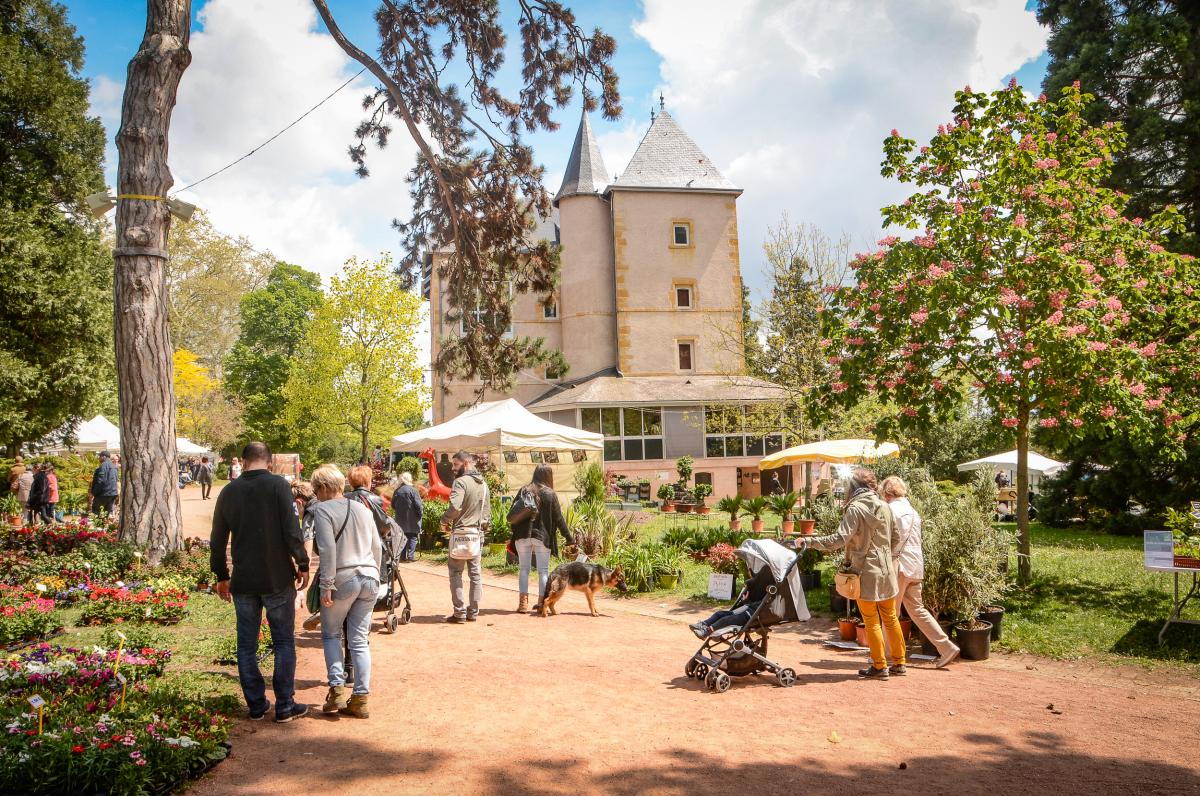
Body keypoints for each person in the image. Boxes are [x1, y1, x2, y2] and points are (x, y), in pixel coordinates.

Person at [210, 441, 310, 723]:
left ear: (242, 462)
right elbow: (292, 530)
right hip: (277, 576)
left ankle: (256, 705)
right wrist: (302, 562)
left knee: (246, 645)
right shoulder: (278, 486)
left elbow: (217, 541)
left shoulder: (228, 492)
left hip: (243, 580)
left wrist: (221, 576)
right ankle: (285, 706)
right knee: (283, 641)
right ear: (269, 462)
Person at [803, 467, 905, 680]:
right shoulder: (885, 507)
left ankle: (879, 666)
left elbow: (839, 539)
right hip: (887, 570)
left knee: (870, 619)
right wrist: (886, 556)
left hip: (865, 571)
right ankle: (899, 662)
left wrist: (809, 542)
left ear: (852, 487)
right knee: (891, 617)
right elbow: (896, 538)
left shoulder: (855, 509)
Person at [307, 464, 380, 719]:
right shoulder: (363, 508)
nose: (316, 494)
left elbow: (327, 550)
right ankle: (360, 698)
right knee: (359, 640)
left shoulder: (323, 510)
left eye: (316, 489)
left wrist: (326, 585)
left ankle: (336, 688)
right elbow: (377, 547)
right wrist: (377, 575)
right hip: (370, 576)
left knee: (331, 635)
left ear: (325, 488)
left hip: (343, 577)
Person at [879, 476, 959, 668]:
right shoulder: (913, 511)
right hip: (915, 566)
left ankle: (887, 656)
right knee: (918, 611)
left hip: (899, 566)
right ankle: (946, 647)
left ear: (887, 493)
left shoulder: (891, 510)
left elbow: (888, 539)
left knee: (889, 613)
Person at [510, 464, 574, 614]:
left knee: (524, 569)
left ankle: (523, 604)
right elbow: (559, 520)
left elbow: (513, 513)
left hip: (522, 535)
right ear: (548, 476)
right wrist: (570, 539)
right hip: (541, 536)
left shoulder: (524, 490)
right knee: (543, 571)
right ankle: (541, 603)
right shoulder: (550, 494)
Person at [440, 451, 489, 623]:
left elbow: (454, 506)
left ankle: (459, 612)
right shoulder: (483, 484)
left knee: (455, 572)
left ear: (466, 463)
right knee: (475, 574)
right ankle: (473, 612)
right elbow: (487, 514)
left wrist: (444, 520)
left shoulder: (460, 482)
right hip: (477, 534)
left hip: (461, 533)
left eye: (456, 464)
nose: (453, 468)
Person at [689, 552, 776, 638]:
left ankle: (706, 632)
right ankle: (703, 624)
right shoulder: (764, 580)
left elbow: (756, 586)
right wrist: (747, 597)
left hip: (752, 614)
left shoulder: (771, 588)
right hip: (747, 608)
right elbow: (755, 581)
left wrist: (747, 597)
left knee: (726, 620)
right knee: (720, 614)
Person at [392, 471, 423, 562]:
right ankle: (410, 557)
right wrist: (419, 514)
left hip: (400, 518)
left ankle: (402, 557)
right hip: (413, 518)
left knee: (402, 537)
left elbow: (393, 505)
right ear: (409, 479)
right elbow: (418, 505)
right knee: (412, 537)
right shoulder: (413, 490)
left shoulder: (397, 491)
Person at [88, 451, 119, 518]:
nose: (99, 458)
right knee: (106, 515)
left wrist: (93, 492)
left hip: (104, 494)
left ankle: (97, 527)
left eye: (100, 457)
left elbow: (100, 480)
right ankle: (104, 527)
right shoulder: (114, 466)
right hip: (112, 494)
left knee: (96, 513)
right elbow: (116, 480)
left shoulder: (104, 465)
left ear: (104, 457)